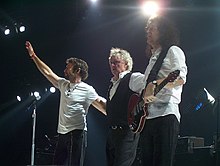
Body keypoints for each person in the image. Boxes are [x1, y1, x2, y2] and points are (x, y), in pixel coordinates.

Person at [25, 41, 106, 166]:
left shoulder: (87, 89)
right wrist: (33, 56)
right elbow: (47, 72)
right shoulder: (63, 84)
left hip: (77, 133)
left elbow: (101, 104)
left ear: (77, 70)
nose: (65, 69)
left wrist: (117, 116)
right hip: (62, 133)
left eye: (68, 67)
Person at [140, 15, 188, 166]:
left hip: (166, 114)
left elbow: (180, 78)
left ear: (163, 31)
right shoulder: (152, 59)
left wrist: (154, 84)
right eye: (147, 28)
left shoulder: (173, 50)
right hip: (146, 119)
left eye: (152, 28)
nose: (148, 31)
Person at [106, 47, 145, 166]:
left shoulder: (132, 78)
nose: (113, 65)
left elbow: (149, 85)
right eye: (111, 63)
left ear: (126, 64)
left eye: (116, 62)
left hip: (126, 133)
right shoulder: (112, 84)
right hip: (112, 134)